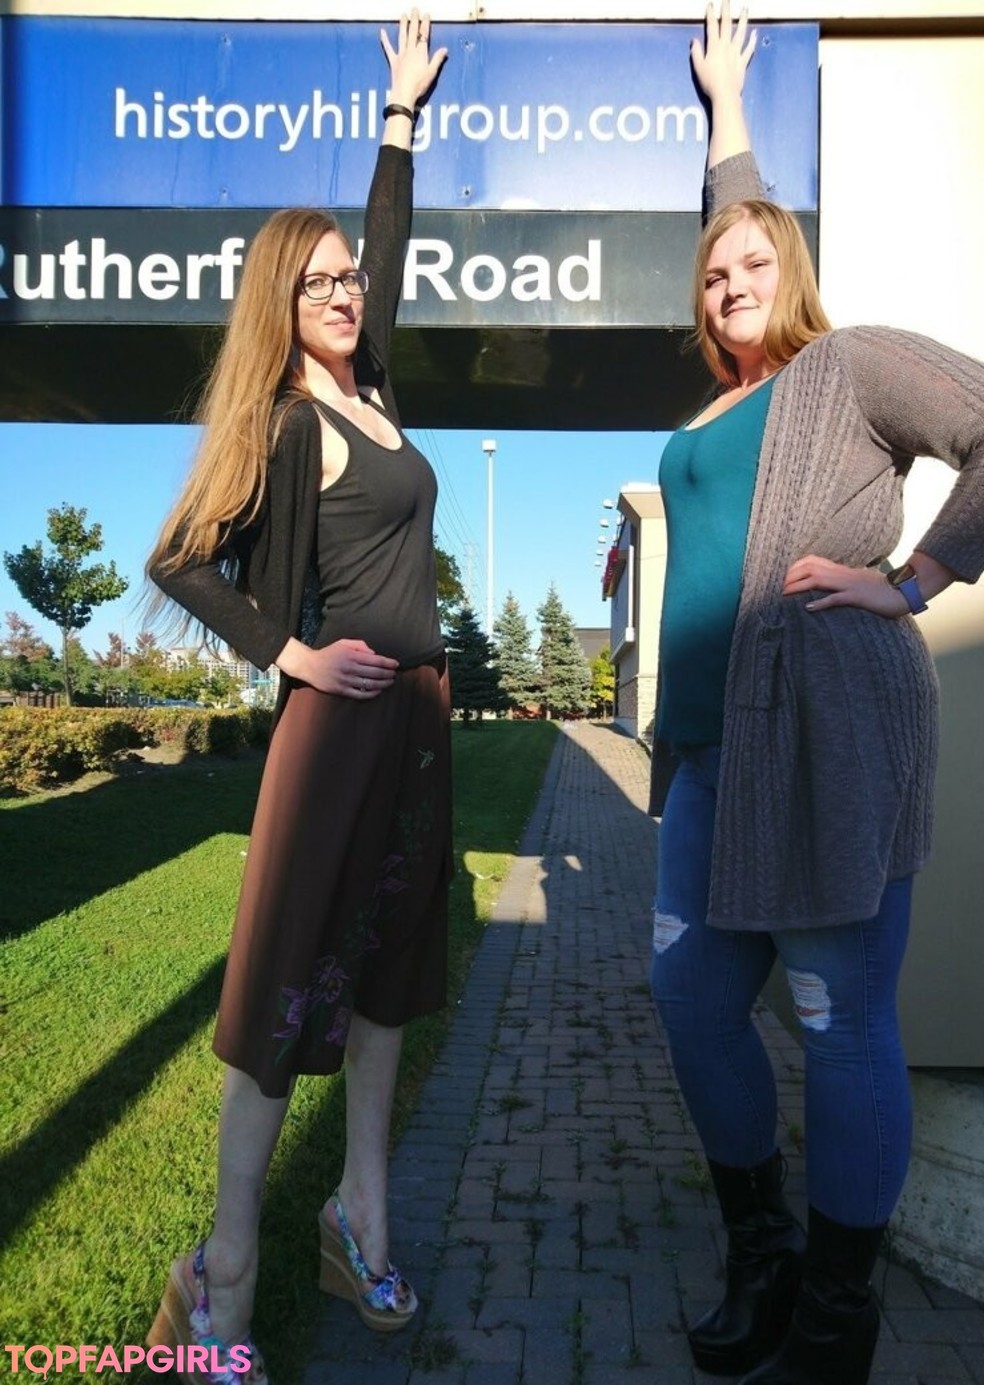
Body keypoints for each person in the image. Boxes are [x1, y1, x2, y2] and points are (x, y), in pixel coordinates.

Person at [648, 6, 984, 1384]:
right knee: (692, 998)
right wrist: (726, 112)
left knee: (839, 1022)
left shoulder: (843, 367)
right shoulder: (720, 400)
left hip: (824, 744)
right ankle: (762, 1249)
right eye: (715, 272)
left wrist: (920, 575)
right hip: (705, 758)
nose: (731, 282)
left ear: (798, 270)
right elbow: (737, 222)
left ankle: (836, 1318)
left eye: (757, 263)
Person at [143, 13, 449, 1381]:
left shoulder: (373, 388)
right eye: (317, 280)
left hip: (419, 731)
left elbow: (386, 243)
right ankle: (221, 1276)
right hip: (336, 735)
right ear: (282, 299)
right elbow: (177, 557)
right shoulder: (286, 420)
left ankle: (357, 1217)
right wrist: (292, 654)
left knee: (386, 982)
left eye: (348, 277)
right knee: (281, 1002)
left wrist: (399, 122)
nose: (343, 291)